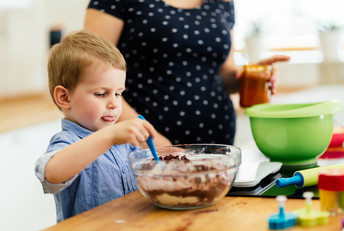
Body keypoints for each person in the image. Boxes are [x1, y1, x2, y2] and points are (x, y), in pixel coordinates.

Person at [84, 0, 290, 146]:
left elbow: (224, 72)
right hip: (145, 147)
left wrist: (250, 77)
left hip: (218, 144)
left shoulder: (223, 1)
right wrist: (148, 137)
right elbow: (91, 76)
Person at [35, 30, 157, 222]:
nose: (115, 104)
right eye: (101, 93)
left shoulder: (126, 144)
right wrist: (110, 136)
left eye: (118, 93)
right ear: (64, 97)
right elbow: (51, 173)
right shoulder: (68, 141)